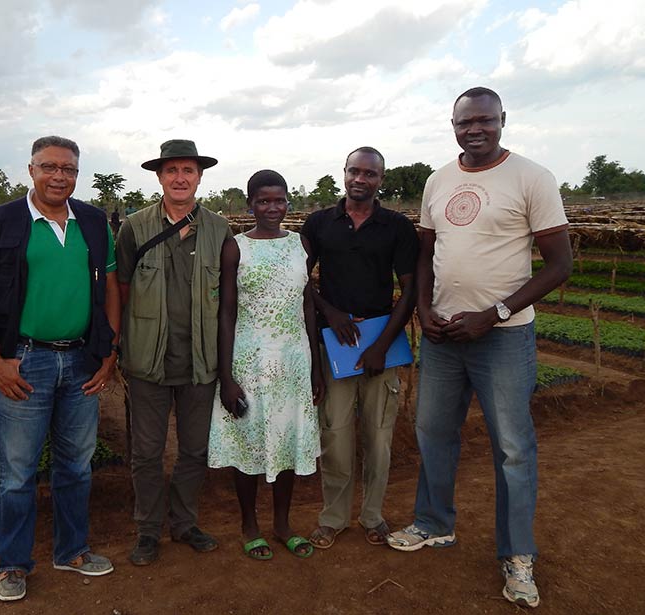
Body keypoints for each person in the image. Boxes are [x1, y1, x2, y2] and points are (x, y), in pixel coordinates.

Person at [386, 87, 572, 609]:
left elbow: (560, 265)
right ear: (452, 124)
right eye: (465, 122)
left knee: (513, 448)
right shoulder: (438, 180)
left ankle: (517, 557)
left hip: (504, 338)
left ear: (502, 121)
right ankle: (433, 523)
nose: (475, 130)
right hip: (445, 337)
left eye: (485, 121)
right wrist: (424, 311)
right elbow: (425, 255)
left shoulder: (532, 178)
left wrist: (495, 314)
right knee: (433, 433)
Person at [0, 136, 120, 603]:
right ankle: (12, 563)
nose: (59, 177)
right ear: (30, 170)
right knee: (17, 473)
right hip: (24, 361)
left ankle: (72, 551)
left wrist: (108, 352)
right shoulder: (3, 222)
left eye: (68, 169)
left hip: (81, 360)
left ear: (77, 174)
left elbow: (111, 288)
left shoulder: (93, 222)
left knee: (77, 465)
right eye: (49, 167)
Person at [115, 139, 232, 566]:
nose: (180, 178)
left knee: (195, 449)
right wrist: (120, 347)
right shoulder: (135, 227)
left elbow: (229, 298)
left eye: (188, 171)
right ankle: (148, 530)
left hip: (201, 361)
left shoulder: (219, 229)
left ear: (200, 177)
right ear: (159, 177)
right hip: (148, 360)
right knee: (147, 452)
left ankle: (184, 523)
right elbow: (122, 290)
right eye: (172, 171)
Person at [300, 147, 419, 549]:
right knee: (334, 433)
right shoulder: (319, 223)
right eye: (354, 171)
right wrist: (330, 313)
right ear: (344, 173)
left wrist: (382, 345)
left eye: (370, 173)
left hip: (380, 345)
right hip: (336, 345)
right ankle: (333, 517)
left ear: (380, 180)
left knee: (379, 435)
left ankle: (372, 514)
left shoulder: (397, 227)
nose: (360, 179)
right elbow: (298, 280)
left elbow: (410, 289)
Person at [209, 169, 324, 561]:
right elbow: (226, 313)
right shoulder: (236, 247)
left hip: (293, 359)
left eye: (279, 200)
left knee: (287, 441)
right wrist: (226, 377)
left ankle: (283, 524)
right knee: (248, 443)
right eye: (263, 201)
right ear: (250, 204)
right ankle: (249, 525)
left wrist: (315, 367)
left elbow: (307, 304)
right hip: (249, 360)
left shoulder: (301, 244)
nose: (272, 208)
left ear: (288, 202)